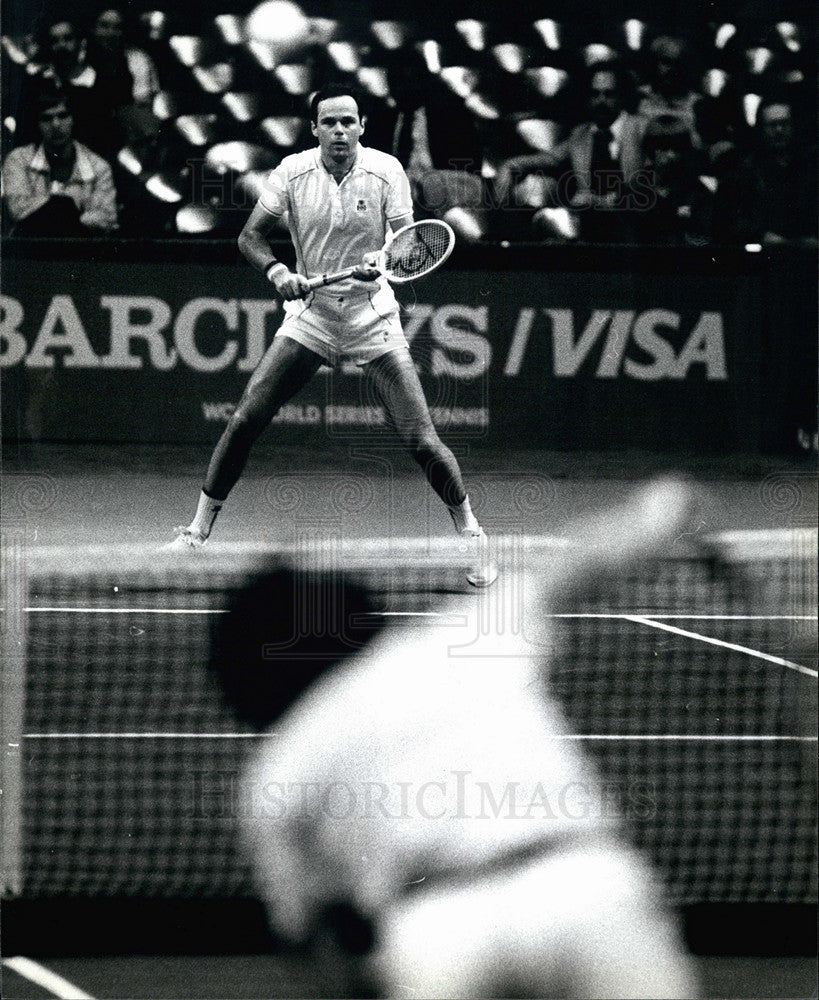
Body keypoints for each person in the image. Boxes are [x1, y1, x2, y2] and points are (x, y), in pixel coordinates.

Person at [210, 477, 700, 998]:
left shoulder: (278, 767)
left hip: (437, 933)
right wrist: (664, 509)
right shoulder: (462, 637)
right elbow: (578, 565)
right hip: (584, 890)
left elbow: (312, 939)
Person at [166, 83, 495, 586]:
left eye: (349, 122)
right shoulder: (292, 172)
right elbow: (249, 237)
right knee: (246, 416)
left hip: (371, 316)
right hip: (312, 314)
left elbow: (409, 247)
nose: (339, 131)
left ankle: (473, 537)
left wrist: (381, 265)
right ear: (315, 128)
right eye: (330, 123)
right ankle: (195, 534)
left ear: (362, 126)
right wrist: (278, 272)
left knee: (421, 439)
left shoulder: (387, 170)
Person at [493, 60, 646, 243]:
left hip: (636, 234)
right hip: (591, 233)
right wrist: (509, 167)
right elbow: (547, 160)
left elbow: (648, 184)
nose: (601, 101)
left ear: (621, 96)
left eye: (609, 94)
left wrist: (602, 201)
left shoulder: (641, 127)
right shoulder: (581, 135)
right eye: (595, 94)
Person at [2, 86, 118, 236]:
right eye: (46, 118)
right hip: (32, 248)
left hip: (81, 249)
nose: (56, 125)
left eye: (63, 116)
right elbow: (18, 210)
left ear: (73, 120)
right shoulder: (18, 160)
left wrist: (62, 214)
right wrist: (65, 211)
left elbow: (107, 218)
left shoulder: (99, 167)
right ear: (37, 124)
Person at [713, 98, 817, 247]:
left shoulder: (811, 166)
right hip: (763, 254)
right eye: (772, 125)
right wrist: (760, 235)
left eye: (784, 124)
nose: (779, 130)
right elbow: (729, 219)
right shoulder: (745, 170)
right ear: (761, 129)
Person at [628, 114, 715, 246]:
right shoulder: (633, 191)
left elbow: (702, 240)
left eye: (677, 148)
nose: (671, 155)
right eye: (663, 148)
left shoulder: (698, 192)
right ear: (650, 150)